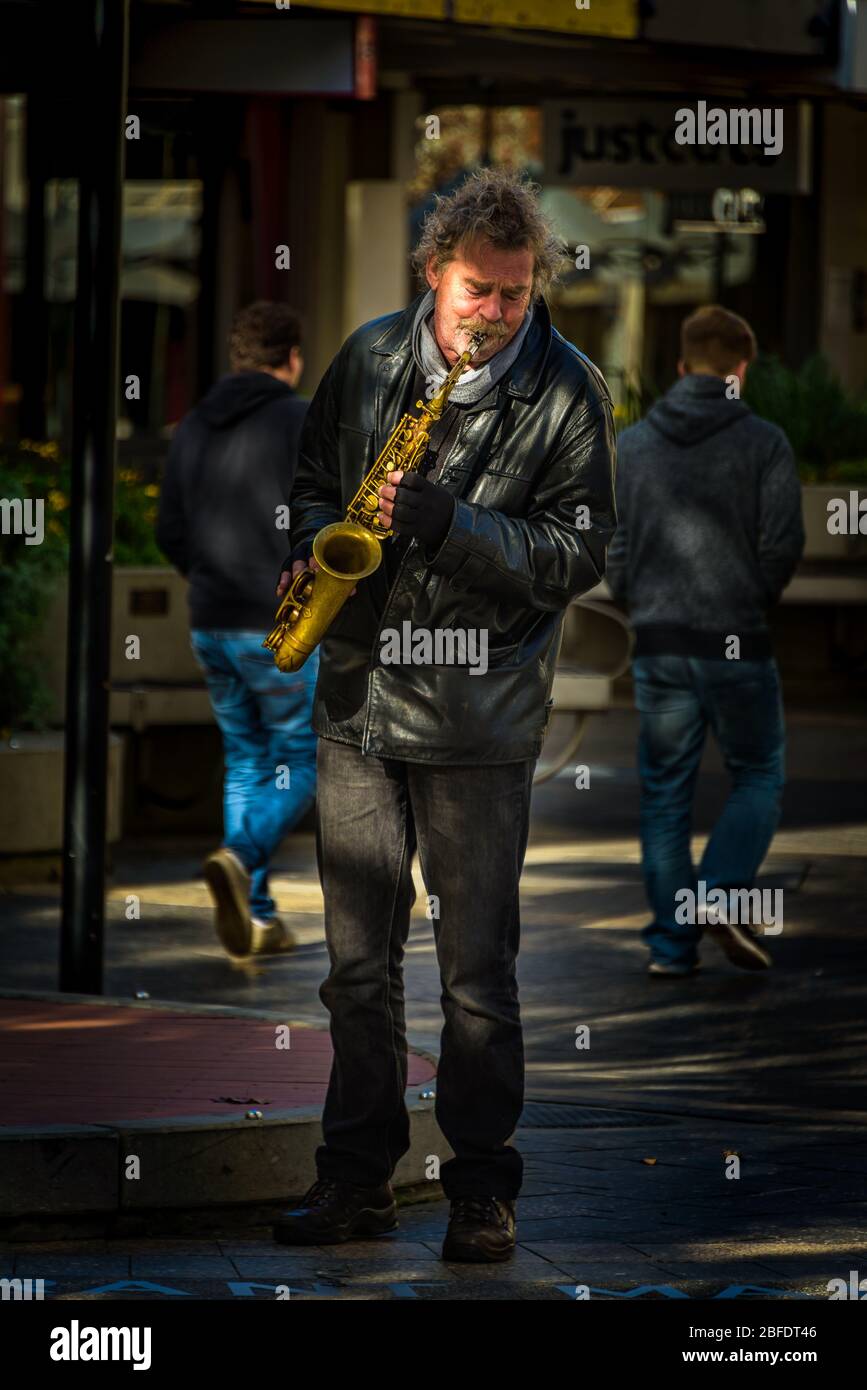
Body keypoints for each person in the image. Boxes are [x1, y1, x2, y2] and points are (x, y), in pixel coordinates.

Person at [270, 168, 617, 1262]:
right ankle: (355, 1178)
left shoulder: (573, 391)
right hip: (362, 700)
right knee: (354, 968)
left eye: (515, 295)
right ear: (434, 273)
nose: (497, 313)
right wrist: (319, 535)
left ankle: (479, 1188)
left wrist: (454, 522)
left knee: (476, 974)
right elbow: (318, 478)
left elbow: (579, 553)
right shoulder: (371, 356)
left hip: (477, 715)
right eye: (479, 290)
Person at [606, 305, 805, 978]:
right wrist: (746, 601)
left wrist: (643, 603)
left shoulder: (632, 445)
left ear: (683, 367)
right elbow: (781, 546)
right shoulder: (765, 443)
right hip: (736, 641)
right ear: (739, 372)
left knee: (665, 793)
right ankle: (718, 892)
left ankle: (670, 947)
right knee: (757, 774)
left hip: (659, 641)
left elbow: (614, 547)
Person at [156, 301, 318, 959]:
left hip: (210, 620)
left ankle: (253, 913)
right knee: (303, 755)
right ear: (294, 359)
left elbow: (169, 529)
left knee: (247, 761)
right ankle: (240, 854)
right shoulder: (299, 418)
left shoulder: (193, 424)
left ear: (235, 357)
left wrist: (208, 577)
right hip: (275, 624)